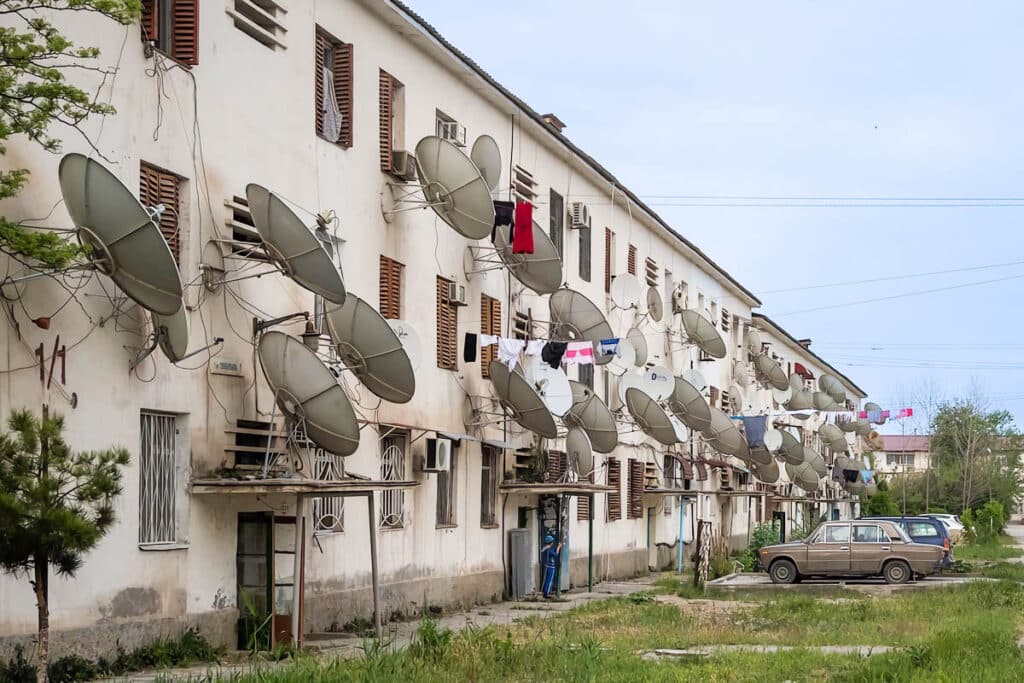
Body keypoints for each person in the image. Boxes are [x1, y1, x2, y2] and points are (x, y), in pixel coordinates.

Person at [541, 534, 562, 598]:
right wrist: (558, 547)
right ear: (550, 542)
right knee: (549, 580)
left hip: (545, 566)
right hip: (550, 567)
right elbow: (556, 555)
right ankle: (546, 593)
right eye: (552, 541)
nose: (553, 543)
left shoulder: (544, 548)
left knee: (546, 579)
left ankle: (545, 592)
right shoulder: (549, 549)